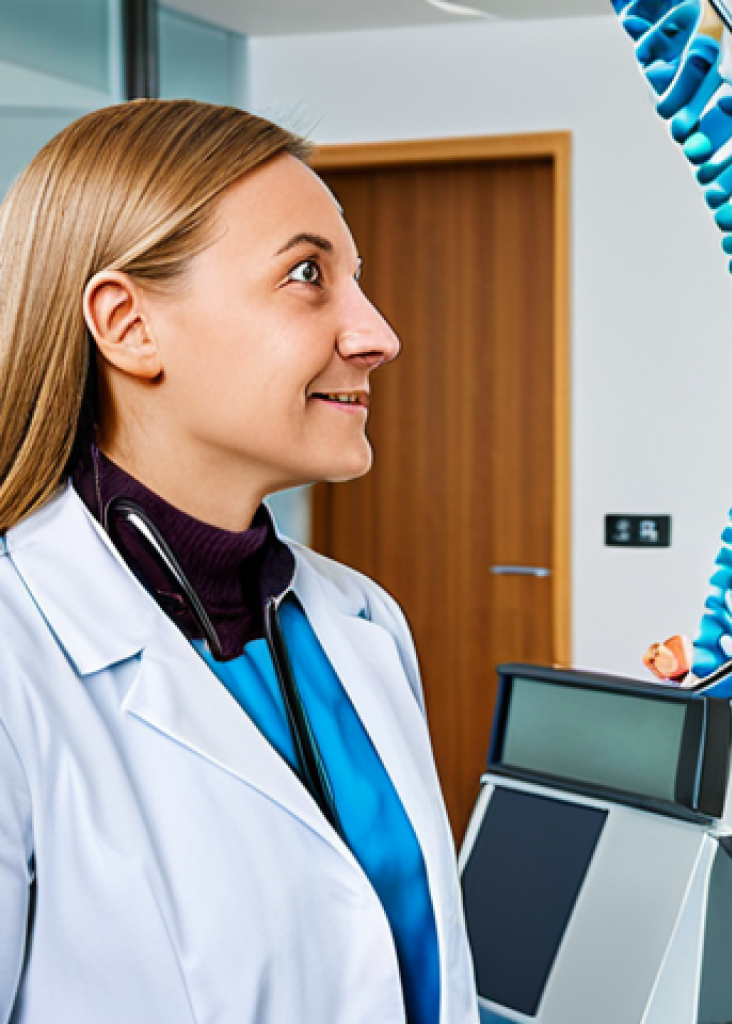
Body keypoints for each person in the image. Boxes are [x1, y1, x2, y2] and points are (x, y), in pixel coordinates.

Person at [0, 99, 478, 1023]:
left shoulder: (360, 620)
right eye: (308, 275)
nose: (378, 335)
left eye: (357, 279)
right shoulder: (18, 653)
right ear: (129, 326)